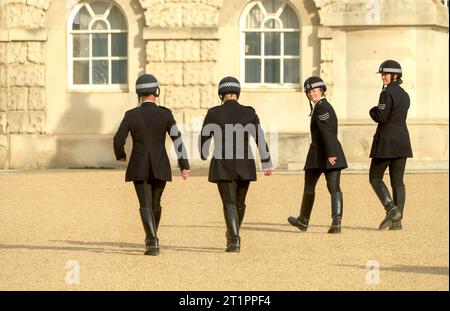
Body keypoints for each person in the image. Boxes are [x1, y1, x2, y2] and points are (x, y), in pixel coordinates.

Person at [114, 74, 190, 256]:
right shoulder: (165, 114)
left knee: (144, 203)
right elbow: (177, 140)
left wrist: (121, 154)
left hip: (139, 164)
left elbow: (118, 139)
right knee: (156, 203)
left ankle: (152, 240)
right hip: (160, 164)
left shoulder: (131, 115)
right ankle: (152, 237)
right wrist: (184, 165)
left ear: (138, 93)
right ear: (156, 92)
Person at [199, 76, 273, 252]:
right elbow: (259, 137)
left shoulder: (214, 113)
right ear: (237, 93)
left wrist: (204, 152)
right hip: (244, 163)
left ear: (221, 93)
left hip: (223, 162)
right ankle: (234, 233)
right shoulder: (249, 112)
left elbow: (204, 136)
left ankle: (234, 239)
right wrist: (266, 161)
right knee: (240, 203)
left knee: (229, 203)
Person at [288, 77, 347, 234]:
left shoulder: (322, 107)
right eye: (309, 92)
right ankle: (336, 223)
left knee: (312, 186)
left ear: (321, 91)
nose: (311, 94)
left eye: (314, 91)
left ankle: (304, 220)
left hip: (322, 154)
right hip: (325, 153)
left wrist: (331, 154)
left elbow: (327, 132)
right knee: (333, 188)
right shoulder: (322, 106)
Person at [369, 60, 413, 230]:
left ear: (395, 76)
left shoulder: (386, 94)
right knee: (398, 183)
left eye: (385, 74)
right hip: (402, 141)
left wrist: (371, 110)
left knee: (374, 177)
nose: (382, 77)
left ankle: (391, 208)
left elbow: (381, 116)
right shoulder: (405, 94)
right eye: (382, 74)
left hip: (386, 142)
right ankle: (397, 221)